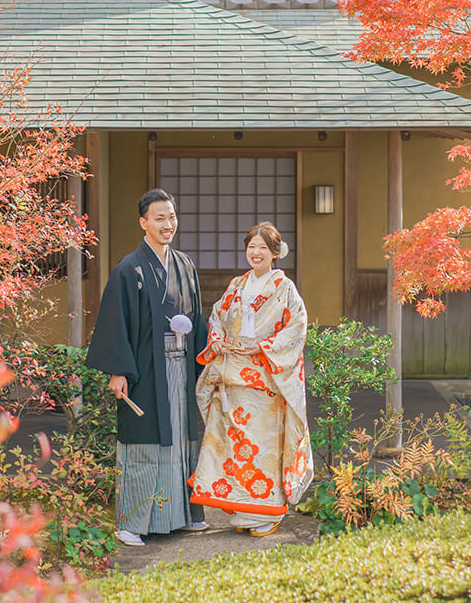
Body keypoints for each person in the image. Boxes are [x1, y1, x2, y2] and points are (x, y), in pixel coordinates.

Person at [85, 189, 209, 546]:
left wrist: (205, 362)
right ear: (143, 223)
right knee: (144, 442)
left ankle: (183, 515)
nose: (168, 224)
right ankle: (132, 522)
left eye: (171, 217)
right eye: (159, 218)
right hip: (146, 370)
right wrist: (118, 370)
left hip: (181, 368)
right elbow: (115, 323)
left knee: (181, 438)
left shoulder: (184, 265)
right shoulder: (129, 269)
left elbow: (197, 320)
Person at [191, 222, 313, 537]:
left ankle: (268, 511)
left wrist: (264, 347)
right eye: (251, 246)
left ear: (275, 253)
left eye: (262, 247)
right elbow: (217, 314)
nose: (255, 252)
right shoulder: (237, 284)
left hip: (265, 380)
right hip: (232, 375)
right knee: (233, 447)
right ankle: (241, 509)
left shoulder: (285, 288)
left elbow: (297, 327)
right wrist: (216, 338)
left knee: (261, 449)